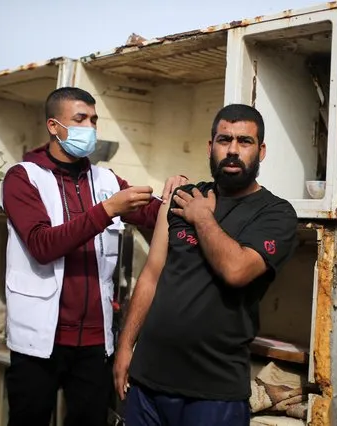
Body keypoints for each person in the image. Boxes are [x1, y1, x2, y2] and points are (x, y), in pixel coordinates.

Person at [1, 86, 187, 426]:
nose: (90, 128)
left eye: (94, 120)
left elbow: (153, 216)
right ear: (54, 126)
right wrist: (106, 210)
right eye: (80, 119)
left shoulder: (104, 180)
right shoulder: (23, 177)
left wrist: (179, 198)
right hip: (39, 342)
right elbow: (43, 245)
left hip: (94, 343)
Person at [113, 103, 300, 425]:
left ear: (262, 151)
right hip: (146, 383)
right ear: (210, 146)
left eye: (244, 142)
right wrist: (125, 347)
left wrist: (202, 218)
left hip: (214, 393)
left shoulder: (275, 214)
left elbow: (237, 271)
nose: (232, 150)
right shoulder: (183, 197)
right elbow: (151, 275)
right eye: (224, 140)